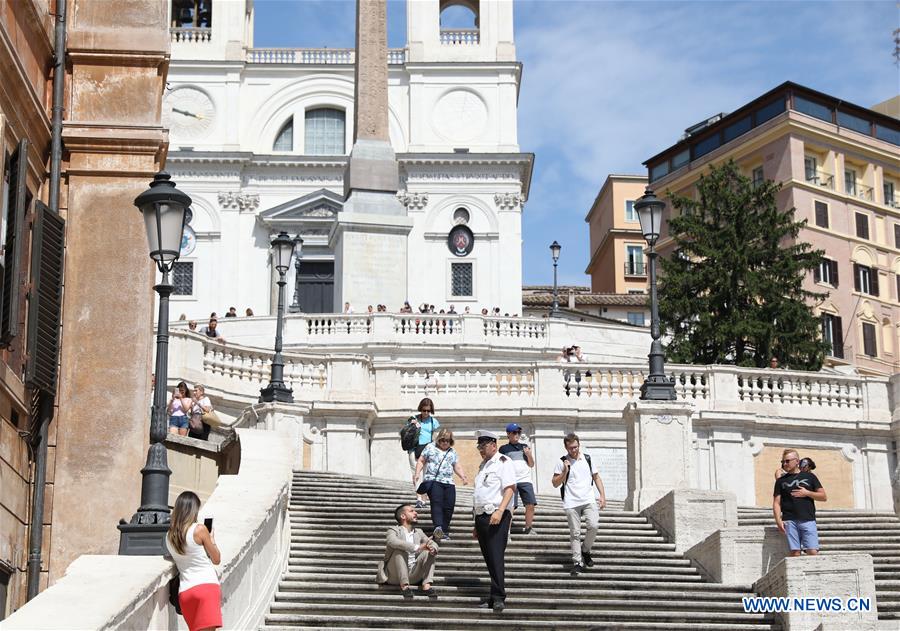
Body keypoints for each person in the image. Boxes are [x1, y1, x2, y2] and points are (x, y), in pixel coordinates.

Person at [472, 429, 516, 613]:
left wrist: (499, 511)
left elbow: (510, 488)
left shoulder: (503, 462)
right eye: (479, 446)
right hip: (482, 517)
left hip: (496, 515)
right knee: (489, 558)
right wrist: (475, 522)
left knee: (496, 557)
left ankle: (499, 597)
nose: (481, 449)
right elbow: (479, 495)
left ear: (493, 445)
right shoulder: (484, 466)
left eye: (483, 445)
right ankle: (493, 596)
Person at [166, 491, 222, 631]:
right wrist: (212, 540)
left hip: (185, 592)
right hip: (205, 588)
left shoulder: (169, 536)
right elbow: (216, 559)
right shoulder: (199, 530)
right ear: (193, 510)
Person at [552, 433, 606, 575]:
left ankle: (585, 550)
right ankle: (577, 562)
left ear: (579, 445)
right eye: (570, 448)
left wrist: (602, 495)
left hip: (588, 499)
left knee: (594, 526)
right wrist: (565, 471)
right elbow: (555, 483)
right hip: (571, 502)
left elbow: (596, 477)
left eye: (575, 447)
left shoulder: (587, 458)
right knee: (575, 533)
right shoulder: (562, 461)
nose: (573, 450)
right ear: (566, 447)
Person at [376, 504, 439, 598]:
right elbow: (392, 541)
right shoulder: (393, 530)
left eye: (415, 511)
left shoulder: (419, 532)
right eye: (411, 511)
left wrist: (433, 548)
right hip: (394, 575)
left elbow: (431, 543)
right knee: (400, 550)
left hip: (414, 575)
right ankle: (404, 587)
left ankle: (426, 585)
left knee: (428, 552)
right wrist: (417, 547)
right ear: (403, 516)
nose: (416, 513)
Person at [415, 429, 468, 539]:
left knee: (449, 506)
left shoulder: (452, 452)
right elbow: (421, 460)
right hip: (434, 481)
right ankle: (438, 527)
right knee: (437, 503)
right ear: (439, 439)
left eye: (448, 441)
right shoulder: (430, 447)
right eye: (443, 440)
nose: (445, 443)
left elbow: (456, 466)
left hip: (449, 482)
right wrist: (417, 473)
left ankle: (444, 529)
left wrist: (462, 476)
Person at [774, 448, 826, 557]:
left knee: (812, 551)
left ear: (797, 461)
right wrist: (778, 520)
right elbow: (776, 502)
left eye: (787, 461)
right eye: (783, 461)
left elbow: (823, 496)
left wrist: (807, 493)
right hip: (789, 520)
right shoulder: (780, 481)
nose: (784, 463)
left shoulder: (810, 477)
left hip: (808, 518)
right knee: (795, 553)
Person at [499, 423, 536, 534]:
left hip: (525, 480)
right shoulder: (503, 449)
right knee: (511, 506)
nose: (517, 434)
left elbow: (531, 464)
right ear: (508, 434)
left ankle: (528, 528)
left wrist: (529, 454)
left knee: (530, 504)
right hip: (511, 480)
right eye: (514, 432)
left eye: (519, 432)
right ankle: (507, 531)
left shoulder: (525, 447)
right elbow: (501, 464)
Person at [406, 398, 440, 508]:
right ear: (420, 409)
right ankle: (418, 498)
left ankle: (424, 499)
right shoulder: (414, 419)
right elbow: (406, 432)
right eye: (424, 410)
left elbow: (435, 438)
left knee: (427, 475)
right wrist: (412, 425)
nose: (425, 413)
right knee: (415, 474)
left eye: (428, 411)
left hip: (427, 450)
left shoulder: (433, 422)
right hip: (414, 449)